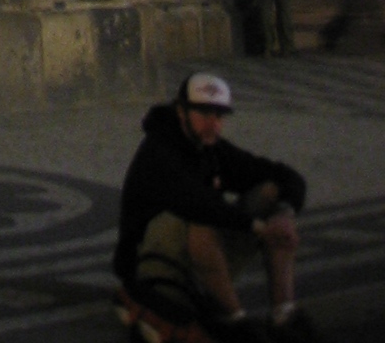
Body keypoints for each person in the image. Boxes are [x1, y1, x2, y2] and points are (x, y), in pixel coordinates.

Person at [115, 73, 312, 341]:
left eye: (219, 116)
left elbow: (282, 175)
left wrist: (284, 213)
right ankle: (233, 320)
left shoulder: (210, 147)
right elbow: (197, 205)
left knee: (271, 193)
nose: (214, 124)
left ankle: (283, 315)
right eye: (204, 115)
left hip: (197, 259)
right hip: (154, 267)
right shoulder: (160, 151)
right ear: (181, 111)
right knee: (201, 220)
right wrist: (259, 227)